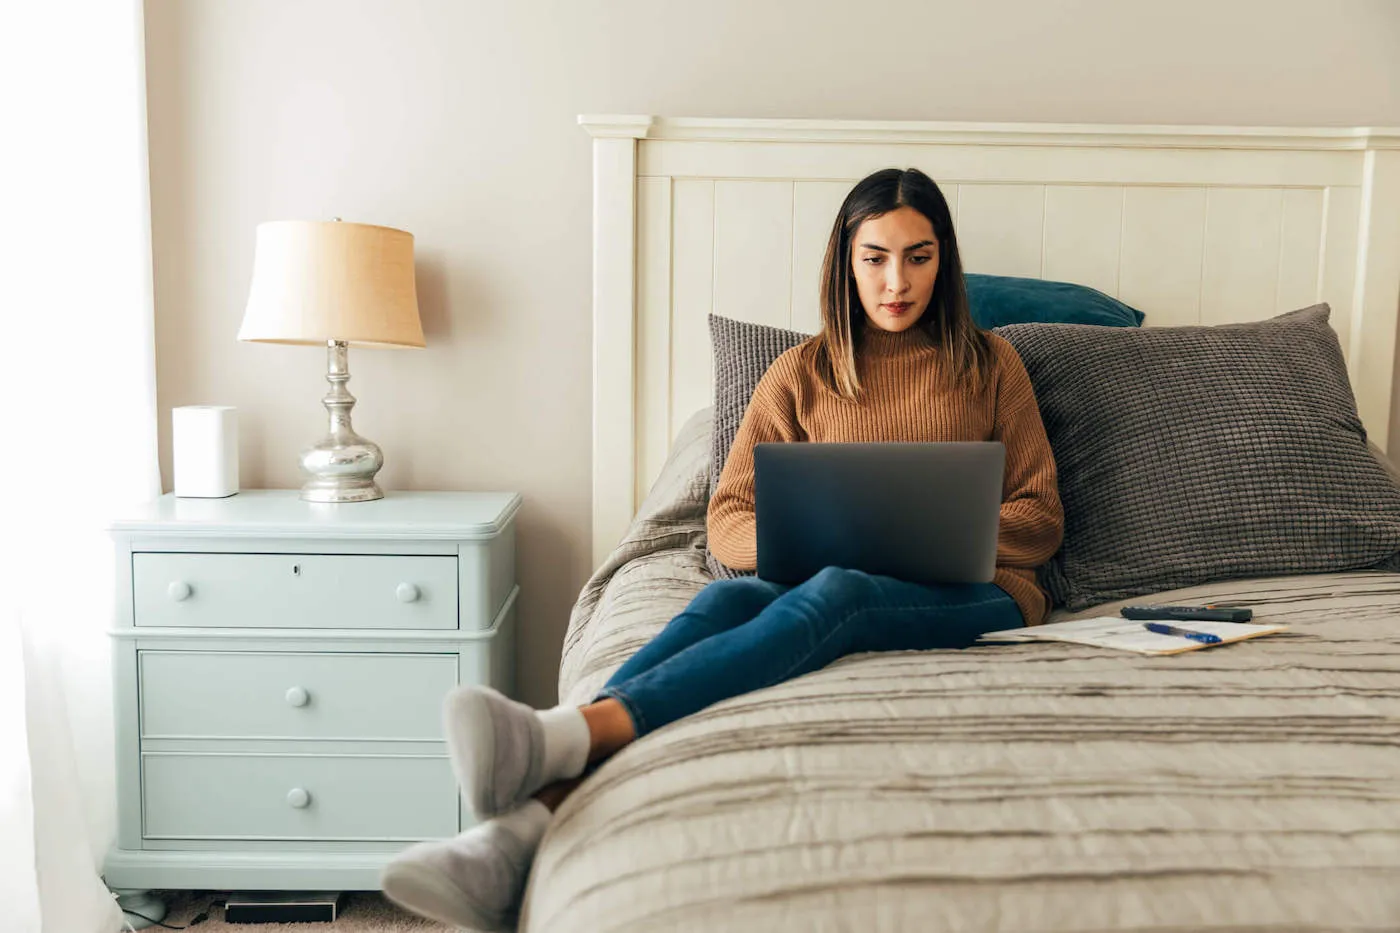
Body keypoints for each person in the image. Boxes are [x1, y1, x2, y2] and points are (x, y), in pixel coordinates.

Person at [380, 167, 1065, 931]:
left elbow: (1041, 515)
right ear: (844, 260)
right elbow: (728, 519)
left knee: (842, 590)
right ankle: (511, 835)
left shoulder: (989, 364)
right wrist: (813, 539)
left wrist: (935, 535)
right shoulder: (800, 373)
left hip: (984, 589)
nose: (896, 280)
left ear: (945, 260)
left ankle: (567, 733)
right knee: (726, 597)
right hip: (819, 573)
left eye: (918, 255)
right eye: (874, 257)